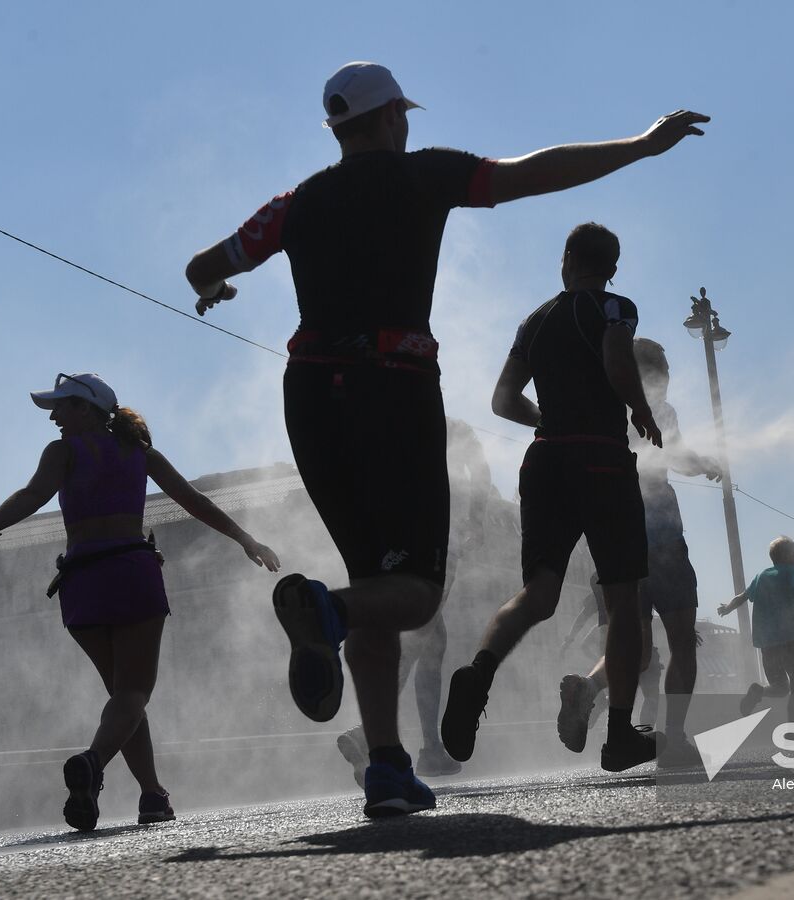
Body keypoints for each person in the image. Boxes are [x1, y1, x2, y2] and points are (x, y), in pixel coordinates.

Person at [184, 61, 707, 813]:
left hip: (310, 396)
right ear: (393, 115)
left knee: (374, 579)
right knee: (415, 593)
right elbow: (535, 172)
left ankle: (389, 767)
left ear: (337, 128)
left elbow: (204, 265)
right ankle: (325, 614)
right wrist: (640, 145)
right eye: (405, 115)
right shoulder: (424, 176)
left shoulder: (294, 205)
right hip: (392, 390)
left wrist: (213, 287)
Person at [0, 373, 279, 832]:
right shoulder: (140, 453)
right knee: (132, 694)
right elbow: (192, 501)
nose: (54, 417)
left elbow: (34, 496)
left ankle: (152, 794)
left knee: (123, 696)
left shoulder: (63, 453)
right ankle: (93, 763)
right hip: (131, 574)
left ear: (87, 409)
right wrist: (244, 538)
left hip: (82, 583)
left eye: (61, 407)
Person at [441, 223, 662, 773]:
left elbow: (502, 399)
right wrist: (641, 408)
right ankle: (618, 736)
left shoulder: (534, 320)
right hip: (602, 460)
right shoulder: (615, 307)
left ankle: (477, 673)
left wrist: (546, 420)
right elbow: (616, 363)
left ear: (566, 261)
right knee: (624, 603)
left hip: (544, 462)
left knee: (537, 595)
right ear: (612, 267)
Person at [556, 338, 721, 767]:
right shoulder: (659, 410)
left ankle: (586, 689)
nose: (666, 378)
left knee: (636, 647)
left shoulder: (602, 407)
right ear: (648, 372)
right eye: (662, 369)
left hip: (614, 534)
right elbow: (678, 456)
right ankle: (677, 738)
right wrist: (708, 463)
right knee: (682, 641)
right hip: (661, 536)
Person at [335, 419, 492, 783]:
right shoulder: (454, 428)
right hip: (438, 541)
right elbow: (480, 471)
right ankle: (370, 733)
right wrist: (477, 521)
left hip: (394, 537)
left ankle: (431, 749)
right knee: (421, 636)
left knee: (432, 640)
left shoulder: (388, 428)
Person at [717, 536, 794, 721]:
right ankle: (792, 730)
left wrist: (727, 608)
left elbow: (742, 597)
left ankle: (758, 691)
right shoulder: (790, 570)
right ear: (786, 555)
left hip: (767, 643)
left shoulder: (760, 576)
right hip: (790, 639)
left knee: (780, 687)